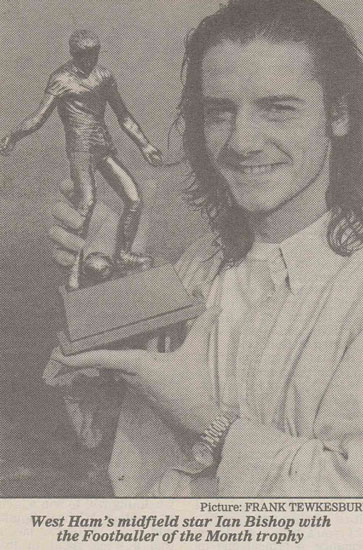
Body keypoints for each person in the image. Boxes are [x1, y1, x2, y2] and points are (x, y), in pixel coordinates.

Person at [45, 0, 363, 496]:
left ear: (339, 114)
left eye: (278, 109)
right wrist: (110, 282)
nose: (242, 142)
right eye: (220, 112)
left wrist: (206, 423)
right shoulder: (199, 263)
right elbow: (111, 451)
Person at [0, 29, 162, 289]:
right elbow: (39, 117)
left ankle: (122, 254)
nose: (89, 61)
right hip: (80, 150)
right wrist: (13, 136)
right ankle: (74, 272)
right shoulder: (61, 78)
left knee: (133, 198)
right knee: (86, 203)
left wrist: (145, 145)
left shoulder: (104, 76)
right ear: (73, 54)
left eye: (93, 55)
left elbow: (124, 115)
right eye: (83, 56)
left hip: (102, 146)